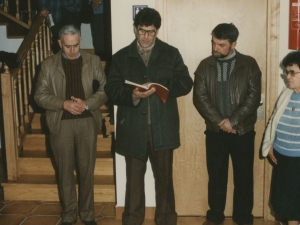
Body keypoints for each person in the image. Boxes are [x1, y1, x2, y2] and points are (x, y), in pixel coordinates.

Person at [104, 7, 193, 225]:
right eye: (142, 31)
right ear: (135, 29)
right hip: (133, 129)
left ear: (157, 31)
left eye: (151, 32)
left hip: (162, 129)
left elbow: (186, 82)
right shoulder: (121, 56)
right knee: (133, 182)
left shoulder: (171, 53)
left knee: (164, 180)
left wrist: (164, 87)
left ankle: (166, 220)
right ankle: (132, 220)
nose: (146, 36)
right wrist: (132, 94)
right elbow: (112, 89)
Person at [34, 24, 107, 225]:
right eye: (67, 46)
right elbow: (39, 96)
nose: (73, 50)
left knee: (86, 170)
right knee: (65, 171)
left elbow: (105, 88)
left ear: (80, 41)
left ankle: (88, 214)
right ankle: (68, 215)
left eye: (75, 45)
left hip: (87, 122)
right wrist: (63, 103)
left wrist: (87, 104)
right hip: (61, 123)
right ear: (60, 43)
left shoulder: (92, 61)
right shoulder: (48, 65)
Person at [193, 23, 261, 225]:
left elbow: (253, 97)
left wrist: (233, 121)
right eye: (214, 43)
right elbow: (200, 97)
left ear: (233, 44)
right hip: (215, 132)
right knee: (216, 178)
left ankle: (243, 218)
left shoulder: (249, 64)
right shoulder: (205, 65)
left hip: (243, 132)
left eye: (221, 45)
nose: (215, 48)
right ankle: (215, 217)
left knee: (244, 179)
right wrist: (220, 122)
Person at [262, 51, 300, 225]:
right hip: (282, 158)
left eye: (293, 72)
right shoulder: (287, 93)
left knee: (295, 206)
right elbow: (274, 120)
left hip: (297, 161)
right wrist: (269, 144)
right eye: (287, 72)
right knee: (287, 206)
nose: (288, 77)